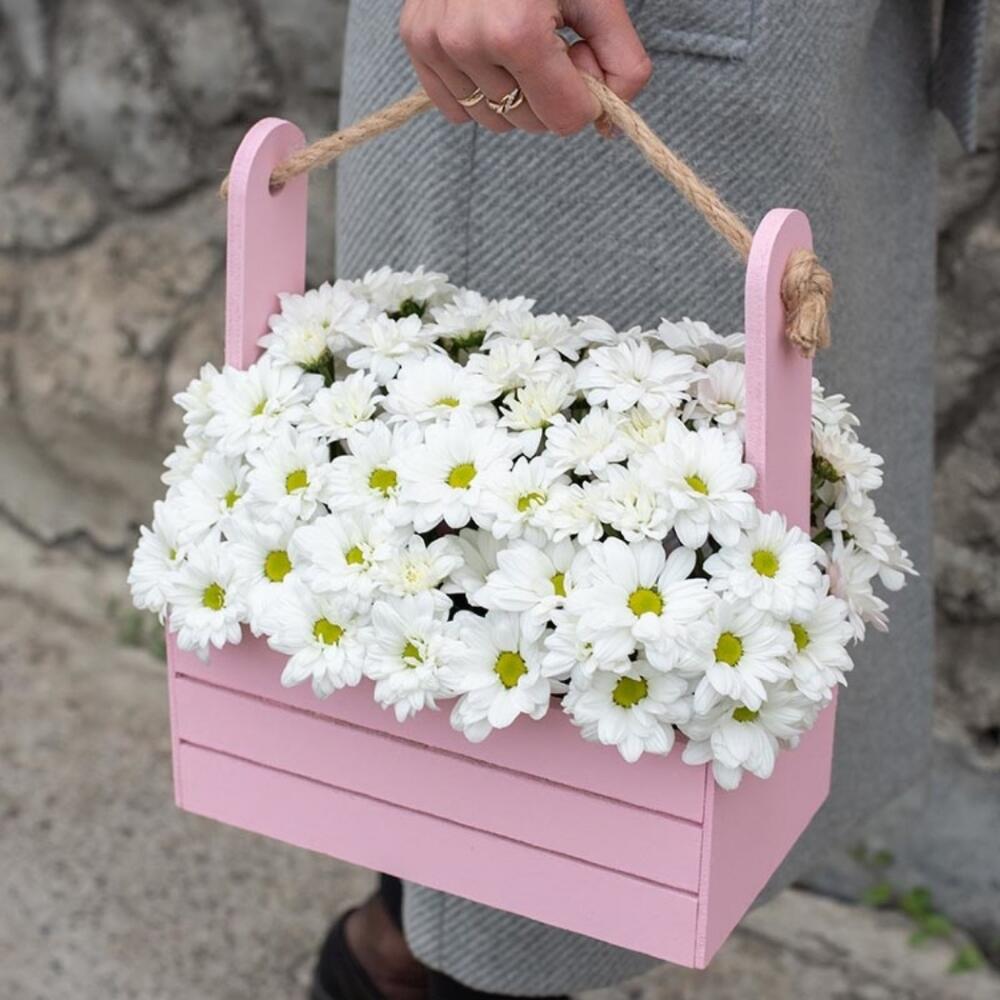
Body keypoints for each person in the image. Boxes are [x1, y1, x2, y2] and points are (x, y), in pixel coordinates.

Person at [312, 2, 988, 998]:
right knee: (516, 690)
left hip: (807, 47)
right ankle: (412, 963)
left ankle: (400, 951)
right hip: (574, 46)